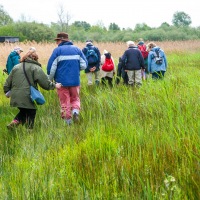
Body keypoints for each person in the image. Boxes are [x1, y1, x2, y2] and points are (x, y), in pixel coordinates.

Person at [3, 49, 61, 130]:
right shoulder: (35, 68)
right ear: (35, 59)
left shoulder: (16, 67)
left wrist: (7, 92)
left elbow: (7, 82)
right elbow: (44, 83)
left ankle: (15, 123)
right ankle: (29, 130)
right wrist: (54, 85)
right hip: (26, 94)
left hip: (15, 95)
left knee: (24, 111)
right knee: (31, 111)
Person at [47, 32, 87, 125]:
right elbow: (84, 65)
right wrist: (75, 69)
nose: (56, 43)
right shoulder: (77, 49)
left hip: (61, 82)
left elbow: (51, 68)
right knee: (75, 98)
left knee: (64, 102)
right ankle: (75, 112)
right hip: (75, 81)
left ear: (61, 40)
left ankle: (68, 122)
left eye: (57, 41)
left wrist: (50, 79)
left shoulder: (57, 51)